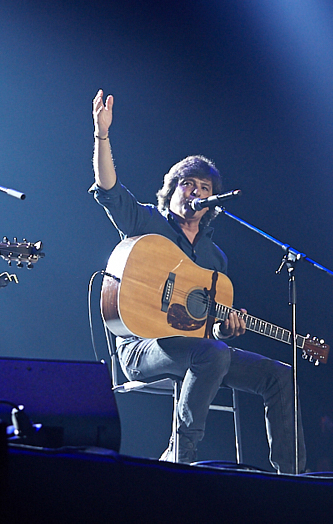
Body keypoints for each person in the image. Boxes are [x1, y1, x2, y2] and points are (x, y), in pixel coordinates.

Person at [90, 89, 306, 473]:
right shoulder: (149, 224)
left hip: (200, 349)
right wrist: (102, 136)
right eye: (188, 185)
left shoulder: (214, 259)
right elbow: (108, 192)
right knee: (213, 354)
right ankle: (182, 456)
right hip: (142, 346)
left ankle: (291, 477)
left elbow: (208, 330)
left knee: (280, 375)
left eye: (205, 189)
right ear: (171, 191)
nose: (197, 193)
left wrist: (227, 326)